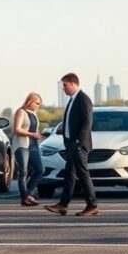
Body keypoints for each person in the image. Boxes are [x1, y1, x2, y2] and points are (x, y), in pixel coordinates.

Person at [45, 73, 99, 217]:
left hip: (78, 145)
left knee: (82, 174)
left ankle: (92, 205)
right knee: (69, 174)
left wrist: (78, 142)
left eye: (65, 85)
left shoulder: (83, 99)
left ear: (73, 83)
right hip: (70, 145)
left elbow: (87, 122)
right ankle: (63, 205)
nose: (63, 88)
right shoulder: (72, 100)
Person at [13, 92, 45, 206]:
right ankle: (25, 197)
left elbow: (32, 130)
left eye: (39, 104)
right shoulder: (21, 111)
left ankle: (29, 193)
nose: (38, 106)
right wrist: (32, 134)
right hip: (22, 145)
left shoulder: (34, 114)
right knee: (23, 171)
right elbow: (17, 129)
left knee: (40, 169)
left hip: (34, 145)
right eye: (37, 103)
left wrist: (38, 134)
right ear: (30, 101)